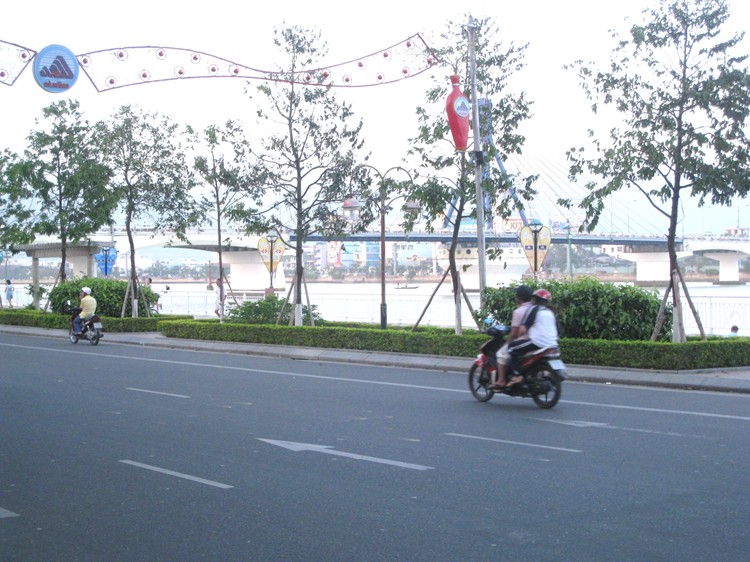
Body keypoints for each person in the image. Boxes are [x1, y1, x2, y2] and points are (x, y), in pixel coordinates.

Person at [506, 288, 559, 386]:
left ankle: (517, 375)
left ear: (535, 299)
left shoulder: (534, 309)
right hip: (553, 344)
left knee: (512, 347)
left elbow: (522, 330)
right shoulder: (550, 312)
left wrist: (517, 337)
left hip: (537, 343)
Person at [490, 284, 534, 389]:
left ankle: (501, 380)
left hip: (523, 341)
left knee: (501, 353)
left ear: (520, 298)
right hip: (535, 341)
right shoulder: (535, 309)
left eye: (516, 295)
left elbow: (514, 333)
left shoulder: (518, 312)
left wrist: (507, 342)